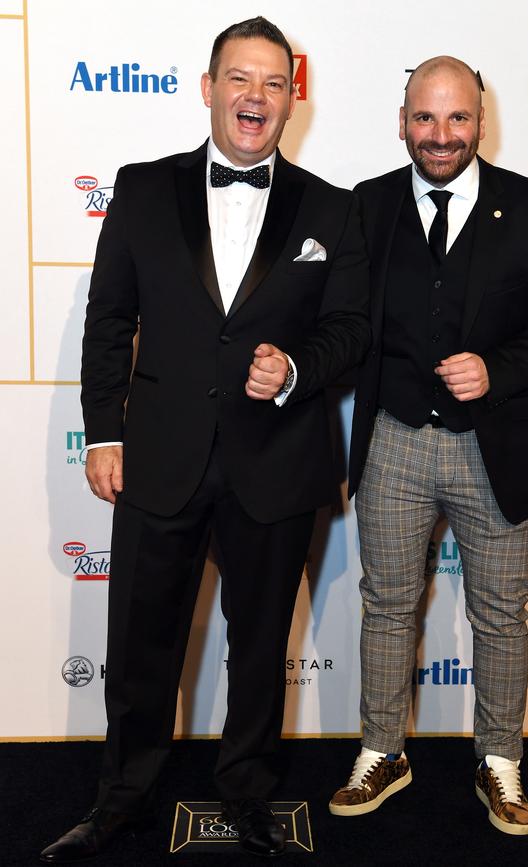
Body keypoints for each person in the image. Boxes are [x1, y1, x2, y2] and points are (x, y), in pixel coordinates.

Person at [41, 16, 369, 862]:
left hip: (278, 460)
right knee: (140, 644)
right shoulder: (144, 188)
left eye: (272, 82)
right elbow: (110, 320)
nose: (254, 97)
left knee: (260, 649)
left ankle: (249, 796)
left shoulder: (333, 208)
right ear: (207, 87)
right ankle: (121, 802)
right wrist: (103, 434)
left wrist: (296, 365)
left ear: (293, 99)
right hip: (158, 456)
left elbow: (351, 331)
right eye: (239, 78)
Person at [329, 55, 528, 835]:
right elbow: (338, 317)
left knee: (502, 614)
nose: (441, 136)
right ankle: (383, 748)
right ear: (402, 120)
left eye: (457, 118)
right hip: (394, 440)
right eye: (424, 118)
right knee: (387, 606)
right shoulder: (364, 207)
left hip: (494, 447)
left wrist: (498, 368)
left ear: (483, 120)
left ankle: (499, 760)